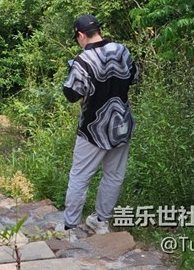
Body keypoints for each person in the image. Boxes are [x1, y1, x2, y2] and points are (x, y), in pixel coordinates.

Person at [60, 14, 139, 236]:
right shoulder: (122, 50)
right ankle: (101, 221)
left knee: (80, 176)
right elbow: (134, 77)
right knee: (114, 175)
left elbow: (72, 94)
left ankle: (69, 227)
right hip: (121, 123)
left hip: (93, 129)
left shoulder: (83, 61)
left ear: (81, 35)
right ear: (100, 31)